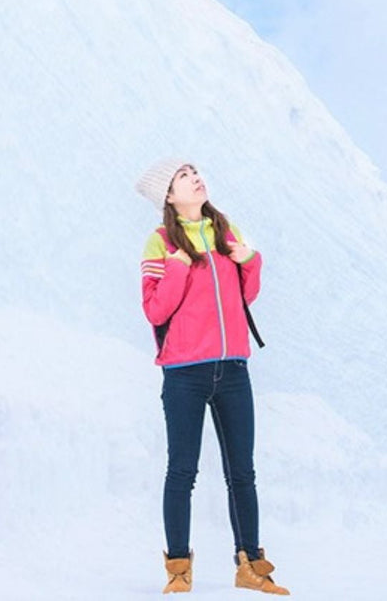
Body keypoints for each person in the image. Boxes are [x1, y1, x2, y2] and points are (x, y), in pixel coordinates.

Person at [136, 158, 291, 595]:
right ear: (168, 196)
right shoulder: (160, 242)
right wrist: (180, 266)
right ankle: (178, 569)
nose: (195, 177)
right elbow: (155, 310)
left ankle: (251, 566)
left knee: (242, 472)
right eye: (183, 176)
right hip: (184, 371)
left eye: (195, 171)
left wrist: (250, 261)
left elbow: (246, 296)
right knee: (181, 471)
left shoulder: (226, 231)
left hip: (234, 369)